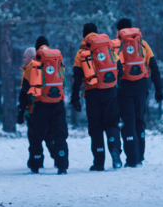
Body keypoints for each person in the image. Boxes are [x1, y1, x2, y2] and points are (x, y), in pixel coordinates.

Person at [70, 23, 123, 171]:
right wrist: (115, 87)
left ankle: (99, 162)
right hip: (110, 92)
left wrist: (75, 97)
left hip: (92, 94)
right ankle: (115, 151)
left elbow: (77, 76)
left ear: (84, 34)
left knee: (96, 127)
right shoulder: (108, 47)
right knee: (112, 124)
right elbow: (120, 70)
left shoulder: (82, 51)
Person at [17, 36, 70, 174]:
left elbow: (25, 89)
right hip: (58, 103)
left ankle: (35, 163)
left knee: (36, 136)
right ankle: (62, 165)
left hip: (40, 105)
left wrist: (22, 110)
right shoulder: (57, 61)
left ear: (37, 48)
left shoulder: (32, 64)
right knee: (59, 135)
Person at [116, 18, 163, 167]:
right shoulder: (142, 43)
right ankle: (140, 157)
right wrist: (158, 88)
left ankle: (131, 159)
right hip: (142, 86)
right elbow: (153, 67)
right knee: (139, 121)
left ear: (119, 31)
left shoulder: (116, 44)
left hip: (124, 87)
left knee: (128, 121)